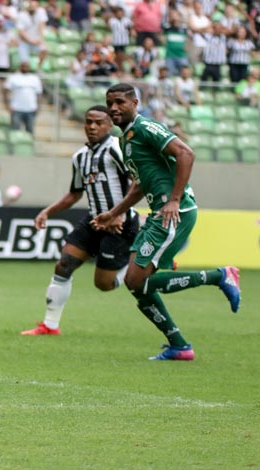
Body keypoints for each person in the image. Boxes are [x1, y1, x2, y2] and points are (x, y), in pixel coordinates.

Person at [91, 83, 241, 361]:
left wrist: (174, 199)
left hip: (174, 211)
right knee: (137, 284)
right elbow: (139, 184)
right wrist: (115, 212)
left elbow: (186, 153)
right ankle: (180, 346)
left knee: (136, 280)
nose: (113, 108)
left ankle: (220, 276)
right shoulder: (126, 139)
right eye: (109, 102)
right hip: (159, 213)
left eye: (120, 102)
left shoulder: (147, 127)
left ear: (135, 103)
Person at [21, 106, 138, 335]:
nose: (92, 127)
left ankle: (141, 264)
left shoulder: (117, 149)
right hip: (94, 220)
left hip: (118, 223)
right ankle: (50, 325)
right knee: (64, 265)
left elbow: (137, 182)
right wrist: (48, 212)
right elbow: (74, 194)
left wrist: (118, 213)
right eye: (88, 122)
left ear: (110, 125)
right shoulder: (80, 157)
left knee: (103, 284)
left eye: (98, 122)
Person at [4, 61, 42, 134]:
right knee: (15, 131)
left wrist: (38, 106)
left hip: (31, 109)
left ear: (29, 68)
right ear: (20, 67)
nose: (25, 68)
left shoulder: (35, 78)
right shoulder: (13, 77)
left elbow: (39, 94)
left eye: (26, 66)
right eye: (23, 66)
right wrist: (7, 104)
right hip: (16, 108)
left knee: (30, 130)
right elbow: (5, 91)